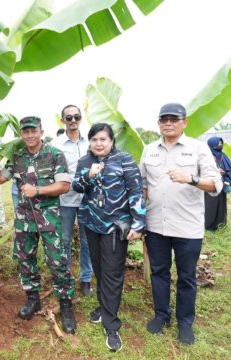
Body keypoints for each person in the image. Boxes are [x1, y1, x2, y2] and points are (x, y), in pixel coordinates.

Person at [139, 103, 221, 345]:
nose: (168, 123)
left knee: (186, 277)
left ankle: (185, 323)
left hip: (188, 226)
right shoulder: (149, 150)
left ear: (184, 122)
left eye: (174, 119)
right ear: (158, 123)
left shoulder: (198, 148)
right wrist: (139, 217)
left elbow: (216, 185)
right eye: (164, 119)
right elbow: (143, 185)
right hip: (156, 225)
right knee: (159, 273)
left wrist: (191, 179)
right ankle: (161, 315)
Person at [0, 116, 77, 334]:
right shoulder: (17, 156)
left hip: (49, 217)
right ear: (21, 134)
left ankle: (65, 304)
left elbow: (64, 186)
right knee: (25, 260)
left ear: (41, 131)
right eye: (25, 131)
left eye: (33, 131)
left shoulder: (54, 154)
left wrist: (36, 190)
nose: (29, 135)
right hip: (25, 219)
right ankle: (32, 298)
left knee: (57, 261)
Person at [72, 123, 146, 351]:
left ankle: (111, 324)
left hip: (116, 226)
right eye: (94, 139)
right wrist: (90, 175)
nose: (99, 143)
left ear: (112, 141)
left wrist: (139, 223)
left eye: (103, 139)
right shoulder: (85, 162)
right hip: (91, 224)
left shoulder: (124, 160)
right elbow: (76, 187)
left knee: (112, 273)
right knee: (100, 269)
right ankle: (104, 308)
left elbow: (136, 191)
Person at [52, 104, 94, 297]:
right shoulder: (56, 145)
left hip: (89, 199)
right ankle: (66, 276)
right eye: (69, 118)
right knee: (65, 239)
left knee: (87, 240)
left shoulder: (91, 142)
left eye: (76, 117)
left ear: (81, 118)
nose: (73, 120)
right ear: (63, 121)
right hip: (65, 199)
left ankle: (86, 279)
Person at [204, 137, 231, 231]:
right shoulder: (206, 156)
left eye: (221, 143)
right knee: (210, 205)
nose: (220, 145)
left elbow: (230, 169)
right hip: (210, 185)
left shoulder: (223, 155)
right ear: (212, 144)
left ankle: (220, 225)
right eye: (218, 143)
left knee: (221, 205)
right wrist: (216, 171)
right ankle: (208, 226)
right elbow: (201, 170)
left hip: (222, 184)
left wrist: (227, 174)